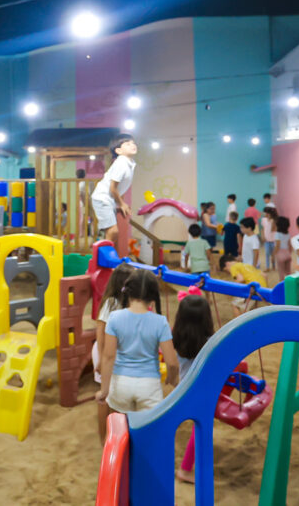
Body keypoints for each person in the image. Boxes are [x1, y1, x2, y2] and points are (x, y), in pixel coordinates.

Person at [95, 269, 178, 415]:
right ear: (153, 296)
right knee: (148, 428)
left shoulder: (114, 318)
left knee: (121, 426)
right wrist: (171, 379)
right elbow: (171, 363)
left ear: (128, 292)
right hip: (149, 386)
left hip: (121, 384)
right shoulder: (160, 322)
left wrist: (104, 390)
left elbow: (108, 357)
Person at [172, 293, 215, 484]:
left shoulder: (174, 337)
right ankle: (185, 469)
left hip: (182, 388)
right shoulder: (211, 342)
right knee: (200, 428)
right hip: (201, 392)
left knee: (180, 421)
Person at [92, 262, 136, 444]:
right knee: (106, 395)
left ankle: (114, 437)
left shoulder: (125, 303)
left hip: (114, 354)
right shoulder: (112, 303)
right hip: (105, 352)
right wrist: (102, 359)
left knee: (114, 394)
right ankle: (105, 439)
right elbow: (100, 331)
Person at [91, 134, 138, 247]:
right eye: (127, 144)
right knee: (113, 231)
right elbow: (113, 188)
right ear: (118, 150)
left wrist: (121, 203)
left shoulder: (130, 163)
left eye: (133, 143)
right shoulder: (121, 163)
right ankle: (102, 255)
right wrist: (122, 204)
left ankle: (106, 254)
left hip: (109, 200)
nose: (132, 145)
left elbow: (120, 188)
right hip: (102, 198)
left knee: (113, 234)